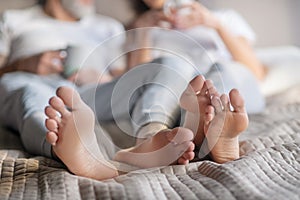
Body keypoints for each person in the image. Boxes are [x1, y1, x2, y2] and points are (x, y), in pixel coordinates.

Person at [44, 74, 249, 180]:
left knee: (181, 64)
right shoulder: (22, 21)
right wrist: (29, 62)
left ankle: (178, 130)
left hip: (107, 86)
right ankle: (199, 125)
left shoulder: (108, 25)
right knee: (26, 90)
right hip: (43, 80)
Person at [0, 0, 125, 158]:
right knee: (31, 93)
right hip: (35, 84)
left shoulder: (109, 27)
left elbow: (125, 81)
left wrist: (105, 78)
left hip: (91, 94)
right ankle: (63, 149)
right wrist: (22, 64)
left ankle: (155, 134)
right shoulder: (14, 20)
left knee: (163, 66)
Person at [127, 0, 266, 114]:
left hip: (224, 87)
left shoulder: (224, 18)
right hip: (177, 94)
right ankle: (205, 125)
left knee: (222, 71)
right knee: (170, 68)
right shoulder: (141, 29)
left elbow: (254, 73)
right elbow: (138, 84)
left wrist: (217, 25)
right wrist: (143, 31)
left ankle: (205, 120)